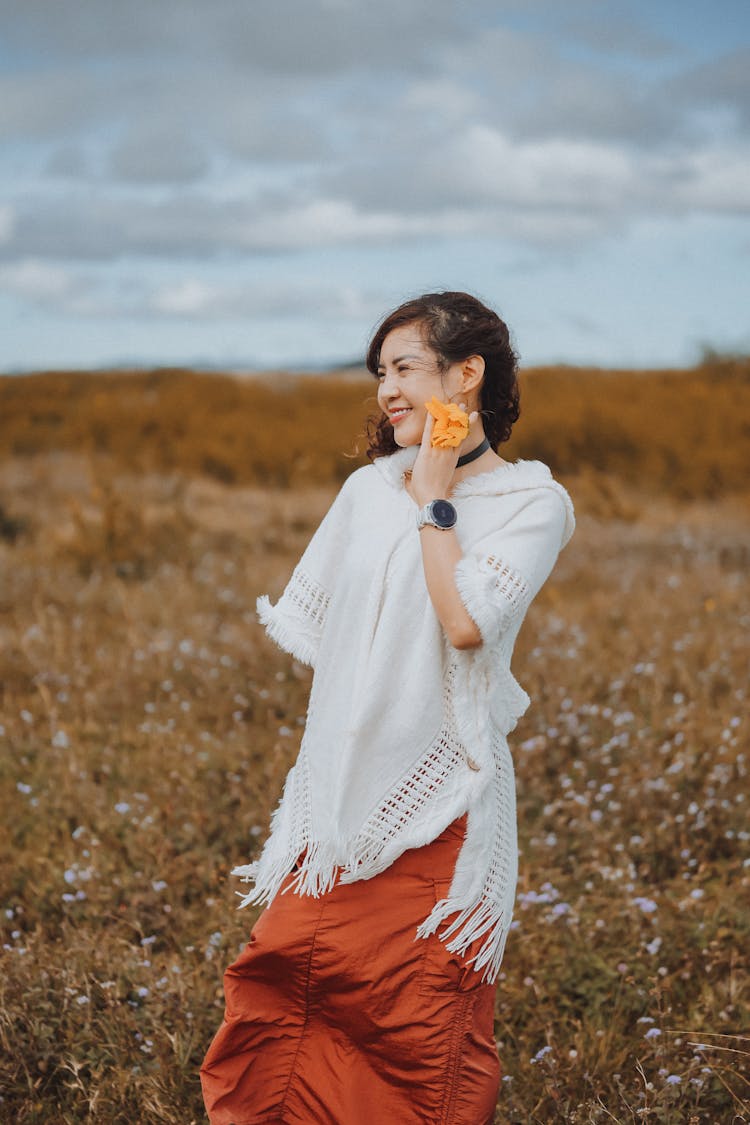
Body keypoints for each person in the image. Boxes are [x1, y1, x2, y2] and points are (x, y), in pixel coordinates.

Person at [200, 291, 575, 1124]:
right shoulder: (366, 491)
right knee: (283, 985)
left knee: (413, 1025)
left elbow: (464, 624)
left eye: (405, 367)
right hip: (338, 807)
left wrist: (434, 498)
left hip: (441, 807)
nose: (387, 391)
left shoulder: (531, 505)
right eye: (381, 373)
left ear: (466, 374)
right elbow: (331, 636)